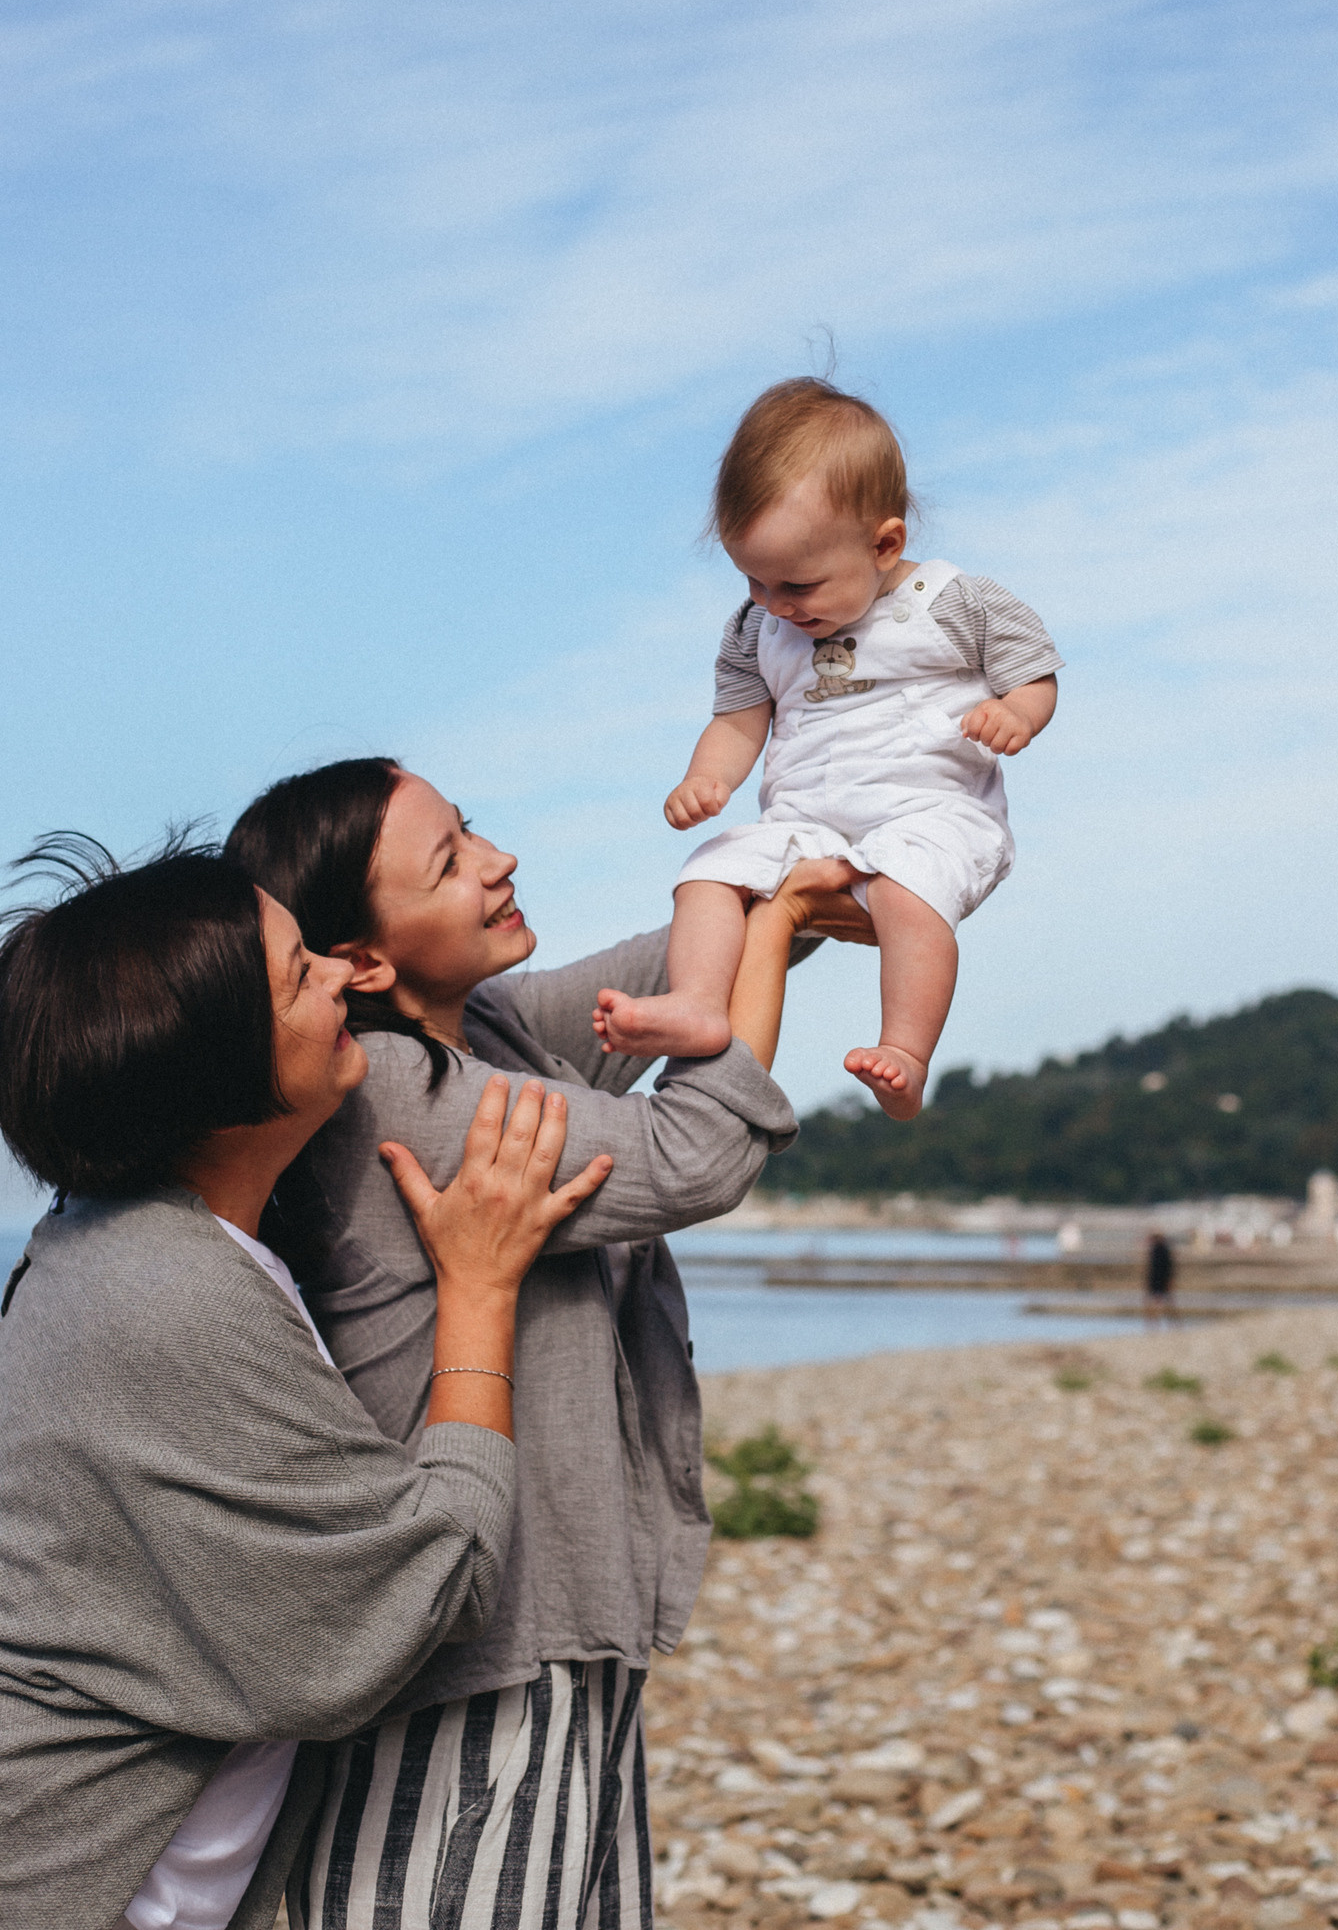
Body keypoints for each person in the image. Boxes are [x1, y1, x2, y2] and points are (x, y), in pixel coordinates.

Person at [223, 759, 867, 1930]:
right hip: (472, 1642)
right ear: (360, 960)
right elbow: (691, 1155)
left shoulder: (495, 1025)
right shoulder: (404, 1094)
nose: (498, 858)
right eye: (451, 860)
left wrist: (802, 850)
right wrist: (764, 946)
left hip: (555, 1610)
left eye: (471, 829)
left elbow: (680, 956)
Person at [0, 834, 613, 1930]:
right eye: (298, 974)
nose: (338, 973)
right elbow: (425, 1588)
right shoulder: (167, 1295)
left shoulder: (125, 1243)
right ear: (216, 1064)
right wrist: (478, 1290)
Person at [594, 376, 1063, 1118]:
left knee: (909, 889)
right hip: (806, 819)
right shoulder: (757, 630)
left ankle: (906, 1049)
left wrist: (1017, 714)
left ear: (884, 543)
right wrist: (706, 778)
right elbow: (739, 719)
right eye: (752, 579)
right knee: (708, 873)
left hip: (929, 810)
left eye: (797, 584)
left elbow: (1033, 670)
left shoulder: (955, 602)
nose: (774, 603)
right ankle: (694, 1003)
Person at [1145, 1230, 1177, 1316]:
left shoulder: (1161, 1250)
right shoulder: (1157, 1249)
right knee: (1161, 1301)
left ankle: (1154, 1324)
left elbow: (1168, 1266)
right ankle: (1154, 1324)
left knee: (1160, 1302)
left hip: (1160, 1279)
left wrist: (1169, 1280)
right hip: (1157, 1279)